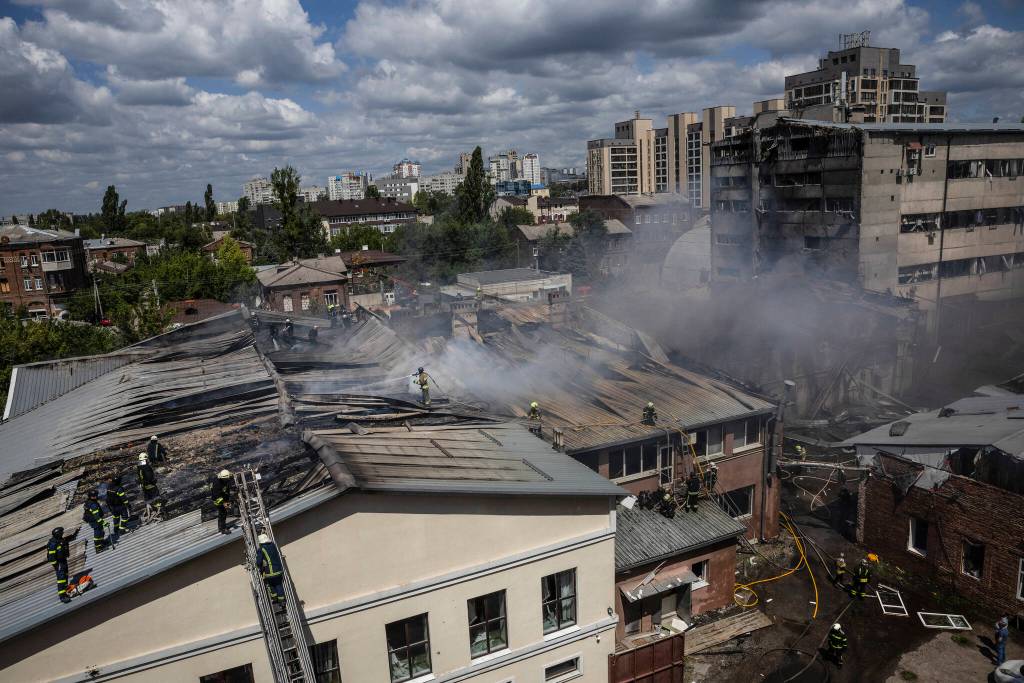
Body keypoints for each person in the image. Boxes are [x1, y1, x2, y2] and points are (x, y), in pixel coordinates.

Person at [257, 533, 285, 603]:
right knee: (279, 585)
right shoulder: (273, 545)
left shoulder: (261, 549)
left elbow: (258, 562)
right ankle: (282, 601)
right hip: (278, 570)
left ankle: (275, 598)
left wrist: (260, 565)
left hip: (270, 573)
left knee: (271, 585)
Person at [47, 527, 71, 603]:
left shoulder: (61, 540)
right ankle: (62, 596)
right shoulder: (53, 543)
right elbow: (51, 557)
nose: (63, 533)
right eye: (61, 532)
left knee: (65, 575)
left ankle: (66, 590)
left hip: (63, 561)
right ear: (58, 534)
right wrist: (56, 566)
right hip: (59, 563)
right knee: (61, 579)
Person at [137, 453, 163, 518]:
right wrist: (153, 481)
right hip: (151, 486)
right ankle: (159, 512)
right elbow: (149, 477)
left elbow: (140, 477)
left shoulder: (139, 467)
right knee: (157, 499)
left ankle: (152, 512)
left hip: (144, 487)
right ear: (145, 459)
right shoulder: (146, 467)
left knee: (149, 500)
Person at [212, 469, 233, 534]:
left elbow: (231, 476)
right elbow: (217, 496)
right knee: (222, 513)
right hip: (218, 500)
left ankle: (222, 526)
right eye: (227, 479)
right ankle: (222, 529)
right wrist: (224, 503)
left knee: (224, 512)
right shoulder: (217, 484)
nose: (228, 479)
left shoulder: (225, 478)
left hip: (223, 496)